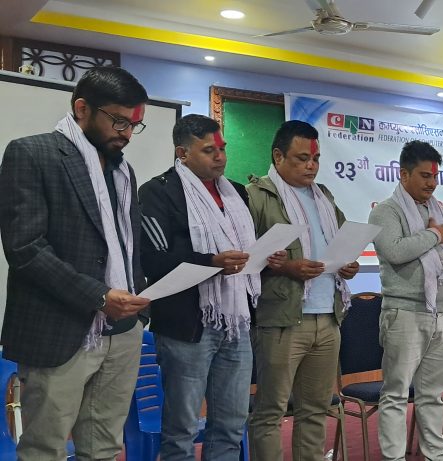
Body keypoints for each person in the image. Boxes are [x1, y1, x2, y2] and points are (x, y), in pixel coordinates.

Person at [0, 66, 150, 460]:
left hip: (122, 331)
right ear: (82, 109)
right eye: (119, 121)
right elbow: (25, 248)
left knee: (104, 447)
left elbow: (126, 247)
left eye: (135, 124)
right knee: (44, 449)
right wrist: (99, 296)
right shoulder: (32, 154)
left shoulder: (123, 171)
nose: (127, 133)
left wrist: (138, 306)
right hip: (60, 330)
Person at [139, 115, 284, 460]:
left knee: (231, 425)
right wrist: (212, 262)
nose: (220, 157)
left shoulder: (236, 192)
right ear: (182, 153)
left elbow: (243, 251)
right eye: (209, 150)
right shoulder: (158, 191)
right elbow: (154, 261)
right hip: (186, 326)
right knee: (182, 430)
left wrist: (264, 258)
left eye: (222, 148)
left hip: (236, 321)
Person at [247, 120, 360, 460]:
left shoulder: (324, 196)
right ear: (278, 156)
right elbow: (243, 258)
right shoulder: (256, 196)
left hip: (328, 317)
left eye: (316, 158)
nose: (311, 165)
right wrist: (286, 267)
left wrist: (349, 265)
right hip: (281, 319)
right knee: (271, 411)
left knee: (315, 410)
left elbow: (341, 244)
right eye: (302, 158)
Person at [369, 140, 443, 461]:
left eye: (435, 176)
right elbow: (395, 251)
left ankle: (437, 455)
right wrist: (434, 235)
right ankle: (394, 458)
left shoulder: (439, 210)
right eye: (425, 176)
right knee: (396, 393)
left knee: (433, 393)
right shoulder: (385, 211)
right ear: (404, 174)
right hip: (405, 312)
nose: (432, 183)